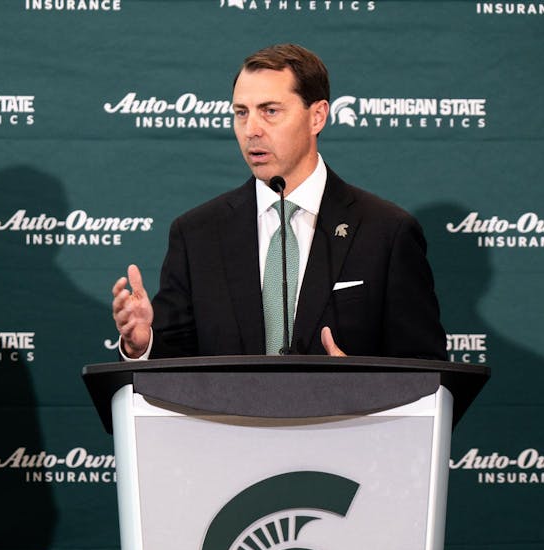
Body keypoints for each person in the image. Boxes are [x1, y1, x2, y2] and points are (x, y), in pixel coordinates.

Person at [112, 44, 445, 361]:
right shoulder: (196, 233)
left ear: (317, 116)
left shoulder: (386, 232)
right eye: (241, 113)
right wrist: (144, 344)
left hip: (343, 421)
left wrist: (366, 384)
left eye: (270, 111)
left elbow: (425, 368)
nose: (251, 129)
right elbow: (174, 366)